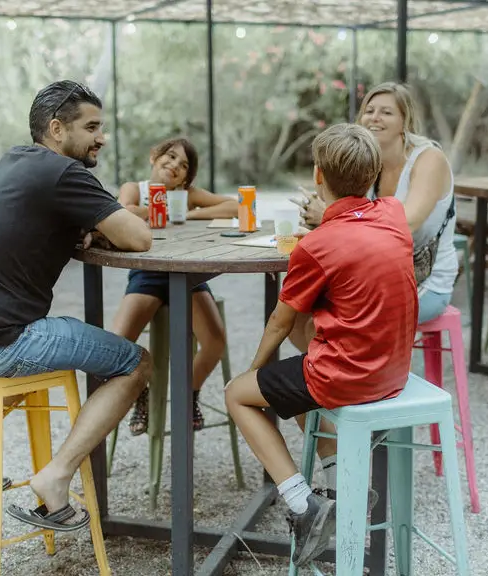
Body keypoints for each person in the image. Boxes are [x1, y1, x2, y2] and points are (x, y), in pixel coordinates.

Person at [0, 79, 154, 533]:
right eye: (92, 127)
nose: (101, 137)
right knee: (135, 363)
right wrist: (100, 227)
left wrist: (85, 228)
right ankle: (56, 475)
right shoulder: (65, 172)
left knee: (44, 349)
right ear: (57, 129)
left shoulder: (19, 160)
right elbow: (139, 238)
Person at [224, 124, 418, 566]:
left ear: (317, 175)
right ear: (374, 173)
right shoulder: (393, 214)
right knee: (296, 373)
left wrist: (253, 374)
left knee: (239, 394)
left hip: (348, 378)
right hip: (393, 371)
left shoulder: (316, 245)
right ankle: (337, 486)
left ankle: (302, 504)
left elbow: (280, 319)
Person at [293, 81, 457, 350]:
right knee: (299, 308)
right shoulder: (369, 161)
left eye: (387, 112)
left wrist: (331, 217)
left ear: (406, 121)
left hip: (425, 283)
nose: (375, 118)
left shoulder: (429, 159)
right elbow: (353, 224)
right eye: (369, 110)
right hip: (378, 276)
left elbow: (407, 223)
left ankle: (354, 380)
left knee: (331, 319)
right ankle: (331, 376)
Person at [111, 137, 237, 435]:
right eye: (170, 157)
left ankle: (187, 393)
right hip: (148, 274)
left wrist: (189, 213)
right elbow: (121, 210)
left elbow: (234, 205)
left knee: (216, 340)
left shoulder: (186, 195)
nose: (175, 166)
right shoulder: (135, 189)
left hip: (187, 273)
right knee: (116, 342)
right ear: (154, 157)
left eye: (184, 166)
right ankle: (140, 390)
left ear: (187, 177)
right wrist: (161, 207)